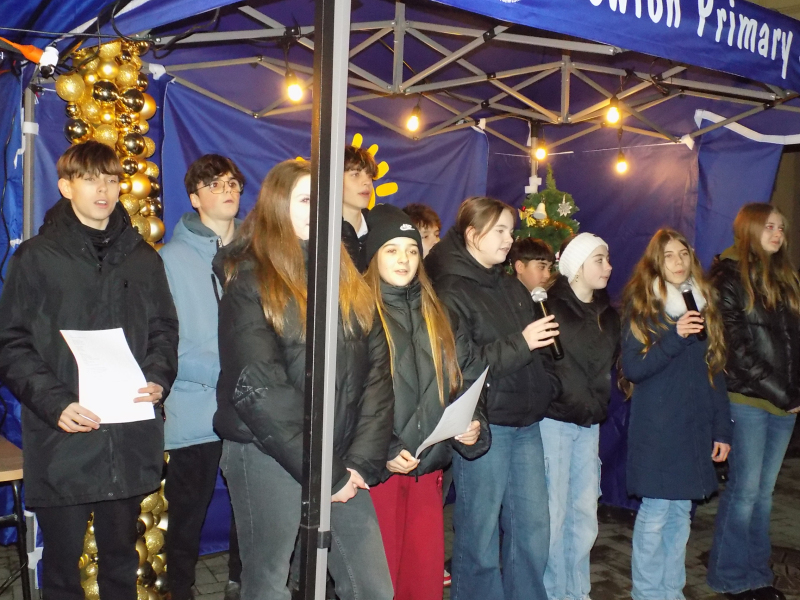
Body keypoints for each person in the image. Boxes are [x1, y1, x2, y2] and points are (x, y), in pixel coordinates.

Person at [0, 140, 178, 600]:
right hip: (64, 439)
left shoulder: (143, 259)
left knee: (122, 566)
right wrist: (55, 403)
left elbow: (164, 328)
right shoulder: (35, 258)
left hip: (127, 437)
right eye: (90, 179)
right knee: (62, 573)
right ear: (65, 186)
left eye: (112, 179)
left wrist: (158, 376)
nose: (104, 189)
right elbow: (10, 342)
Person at [213, 159, 394, 600]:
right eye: (306, 199)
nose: (318, 210)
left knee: (373, 588)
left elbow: (376, 375)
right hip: (265, 452)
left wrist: (360, 460)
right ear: (278, 205)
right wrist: (325, 472)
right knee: (269, 584)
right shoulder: (250, 280)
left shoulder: (348, 277)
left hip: (338, 456)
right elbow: (259, 387)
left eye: (324, 199)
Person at [425, 196, 562, 600]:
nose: (509, 239)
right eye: (500, 230)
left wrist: (546, 384)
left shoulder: (509, 286)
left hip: (526, 422)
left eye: (511, 230)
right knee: (479, 537)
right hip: (485, 427)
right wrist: (523, 343)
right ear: (472, 234)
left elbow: (541, 348)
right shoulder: (450, 289)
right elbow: (463, 365)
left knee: (533, 531)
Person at [363, 203, 491, 600]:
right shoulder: (358, 314)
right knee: (378, 583)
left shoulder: (440, 312)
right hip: (377, 476)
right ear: (373, 255)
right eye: (391, 249)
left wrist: (474, 423)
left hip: (428, 470)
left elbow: (467, 376)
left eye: (411, 250)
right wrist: (383, 449)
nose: (403, 259)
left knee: (422, 583)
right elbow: (346, 396)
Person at [619, 228, 731, 600]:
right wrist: (675, 336)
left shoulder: (701, 302)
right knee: (655, 514)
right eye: (668, 255)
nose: (678, 262)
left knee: (681, 515)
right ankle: (647, 593)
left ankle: (671, 591)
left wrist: (722, 429)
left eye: (683, 253)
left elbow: (714, 371)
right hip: (658, 430)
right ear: (656, 262)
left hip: (693, 428)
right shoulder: (643, 306)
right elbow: (634, 369)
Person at [160, 154, 245, 600]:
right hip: (195, 406)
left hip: (253, 404)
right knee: (187, 514)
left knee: (250, 509)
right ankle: (180, 589)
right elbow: (164, 341)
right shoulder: (170, 258)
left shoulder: (259, 251)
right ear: (194, 198)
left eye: (232, 183)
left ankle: (241, 581)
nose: (227, 190)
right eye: (215, 185)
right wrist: (224, 373)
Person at [706, 204, 800, 600]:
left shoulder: (785, 277)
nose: (778, 233)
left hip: (784, 403)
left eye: (781, 227)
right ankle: (729, 577)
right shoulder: (727, 277)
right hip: (747, 400)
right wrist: (786, 394)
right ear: (749, 229)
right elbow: (737, 351)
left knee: (763, 494)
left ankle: (757, 574)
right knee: (744, 493)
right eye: (769, 226)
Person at [540, 233, 619, 600]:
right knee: (554, 515)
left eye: (608, 259)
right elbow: (539, 364)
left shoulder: (608, 315)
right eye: (599, 260)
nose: (609, 267)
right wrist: (556, 395)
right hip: (554, 423)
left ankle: (577, 592)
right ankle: (553, 592)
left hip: (589, 426)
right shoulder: (549, 309)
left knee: (584, 514)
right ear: (576, 267)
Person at [341, 145, 377, 271]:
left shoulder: (379, 228)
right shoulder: (321, 232)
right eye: (356, 174)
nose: (367, 182)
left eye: (369, 175)